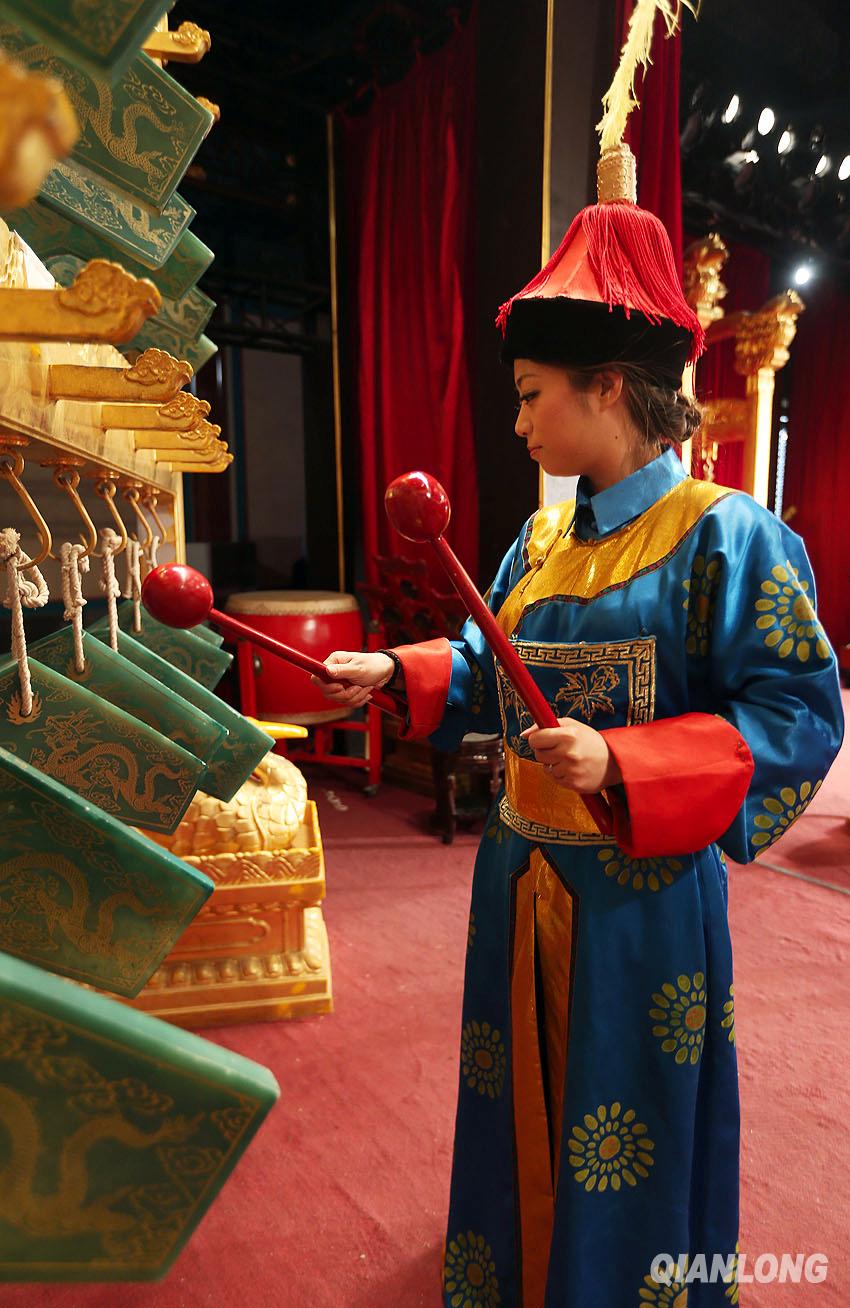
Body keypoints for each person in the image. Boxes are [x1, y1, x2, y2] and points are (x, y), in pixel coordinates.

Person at [313, 152, 844, 1306]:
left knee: (626, 1103)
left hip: (639, 899)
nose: (515, 422)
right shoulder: (537, 542)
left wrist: (625, 760)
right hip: (516, 873)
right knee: (513, 1082)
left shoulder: (728, 535)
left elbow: (796, 711)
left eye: (528, 393)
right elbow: (489, 665)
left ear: (607, 387)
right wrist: (398, 668)